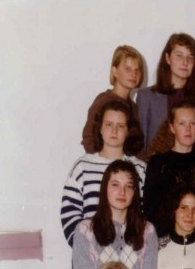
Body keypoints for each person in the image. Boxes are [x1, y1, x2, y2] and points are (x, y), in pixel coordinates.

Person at [72, 160, 157, 269]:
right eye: (115, 185)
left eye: (128, 186)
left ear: (135, 192)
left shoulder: (148, 232)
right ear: (105, 188)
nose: (122, 192)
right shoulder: (85, 231)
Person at [62, 100, 146, 246]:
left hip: (129, 252)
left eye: (120, 126)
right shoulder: (82, 167)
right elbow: (69, 214)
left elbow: (143, 214)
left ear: (128, 131)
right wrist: (87, 248)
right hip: (90, 253)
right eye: (109, 125)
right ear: (100, 128)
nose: (114, 131)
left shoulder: (140, 168)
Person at [144, 103, 195, 238]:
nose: (188, 129)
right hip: (164, 237)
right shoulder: (157, 163)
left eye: (192, 123)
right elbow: (150, 208)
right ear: (172, 127)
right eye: (182, 124)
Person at [136, 33, 195, 155]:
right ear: (168, 58)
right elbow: (140, 146)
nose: (185, 62)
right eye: (179, 55)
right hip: (155, 164)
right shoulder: (146, 97)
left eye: (190, 57)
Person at [81, 45, 144, 153]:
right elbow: (89, 139)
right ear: (115, 71)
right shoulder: (103, 101)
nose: (133, 74)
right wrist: (100, 161)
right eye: (127, 69)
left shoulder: (134, 107)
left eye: (137, 70)